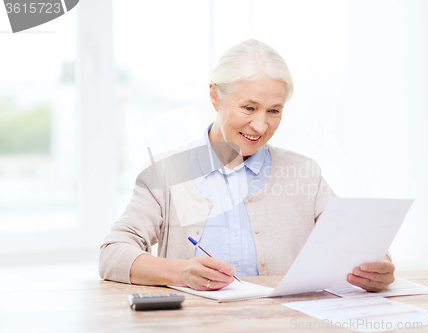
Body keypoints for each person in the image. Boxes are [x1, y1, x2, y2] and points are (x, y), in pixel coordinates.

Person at [99, 39, 395, 292]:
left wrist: (379, 267)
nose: (261, 125)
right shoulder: (165, 173)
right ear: (215, 97)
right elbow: (113, 254)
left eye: (274, 110)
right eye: (249, 108)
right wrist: (181, 272)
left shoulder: (305, 173)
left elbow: (359, 243)